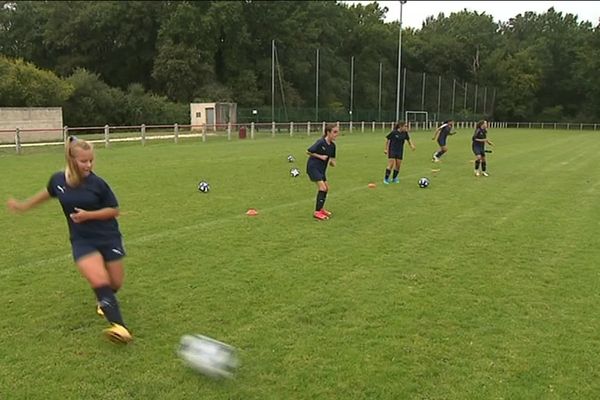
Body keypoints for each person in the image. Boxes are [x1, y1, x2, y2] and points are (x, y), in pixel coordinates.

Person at [6, 136, 132, 343]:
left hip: (108, 237)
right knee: (98, 280)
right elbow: (46, 194)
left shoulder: (98, 184)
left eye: (91, 160)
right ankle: (119, 327)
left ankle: (105, 299)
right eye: (84, 161)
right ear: (71, 160)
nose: (89, 165)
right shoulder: (58, 181)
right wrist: (23, 206)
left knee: (114, 283)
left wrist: (88, 215)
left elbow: (114, 210)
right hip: (82, 240)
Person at [306, 124, 338, 220]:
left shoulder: (333, 146)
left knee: (326, 188)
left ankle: (321, 209)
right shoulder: (320, 142)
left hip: (321, 169)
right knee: (322, 188)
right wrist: (321, 156)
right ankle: (317, 212)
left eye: (337, 132)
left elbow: (332, 158)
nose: (337, 134)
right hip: (313, 167)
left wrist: (332, 162)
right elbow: (308, 151)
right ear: (328, 133)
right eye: (335, 132)